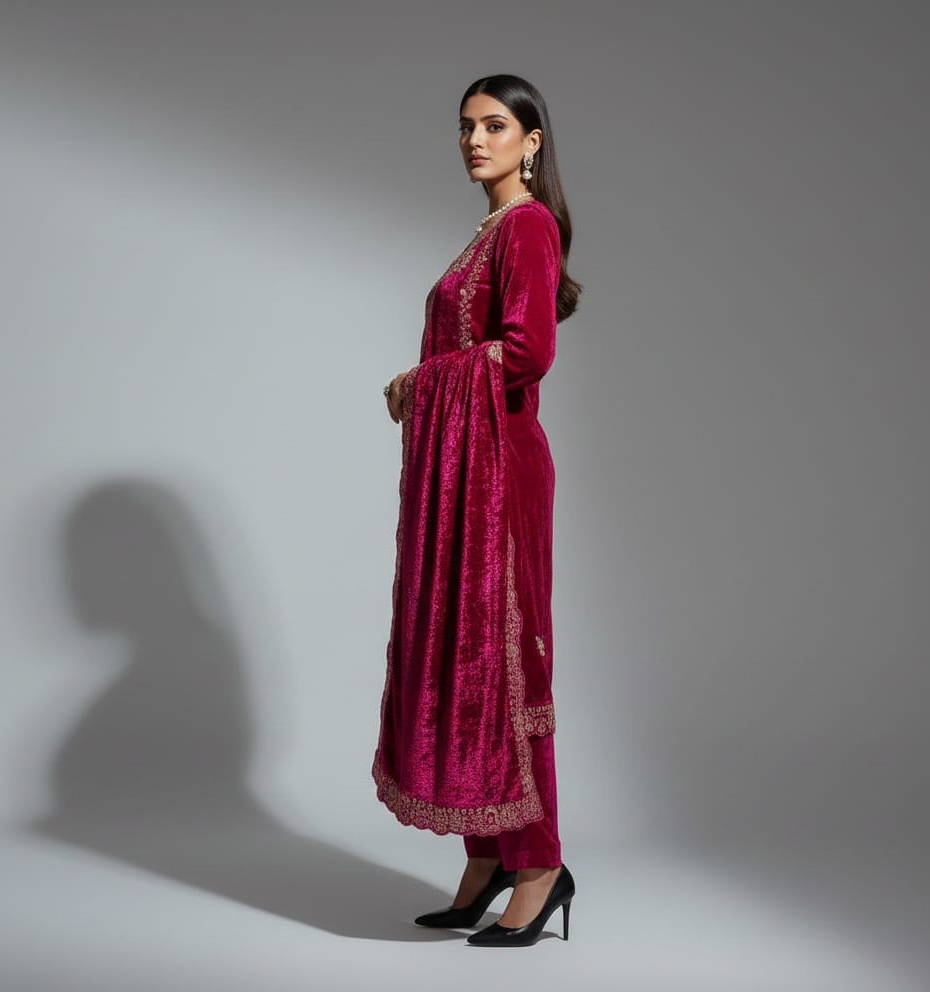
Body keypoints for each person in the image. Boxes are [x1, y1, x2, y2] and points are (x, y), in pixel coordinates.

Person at [372, 74, 583, 948]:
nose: (475, 140)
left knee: (504, 660)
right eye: (466, 126)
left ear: (533, 141)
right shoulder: (489, 231)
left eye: (496, 125)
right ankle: (488, 854)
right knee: (464, 656)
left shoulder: (528, 225)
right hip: (473, 472)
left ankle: (539, 865)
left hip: (503, 477)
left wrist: (423, 381)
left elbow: (530, 351)